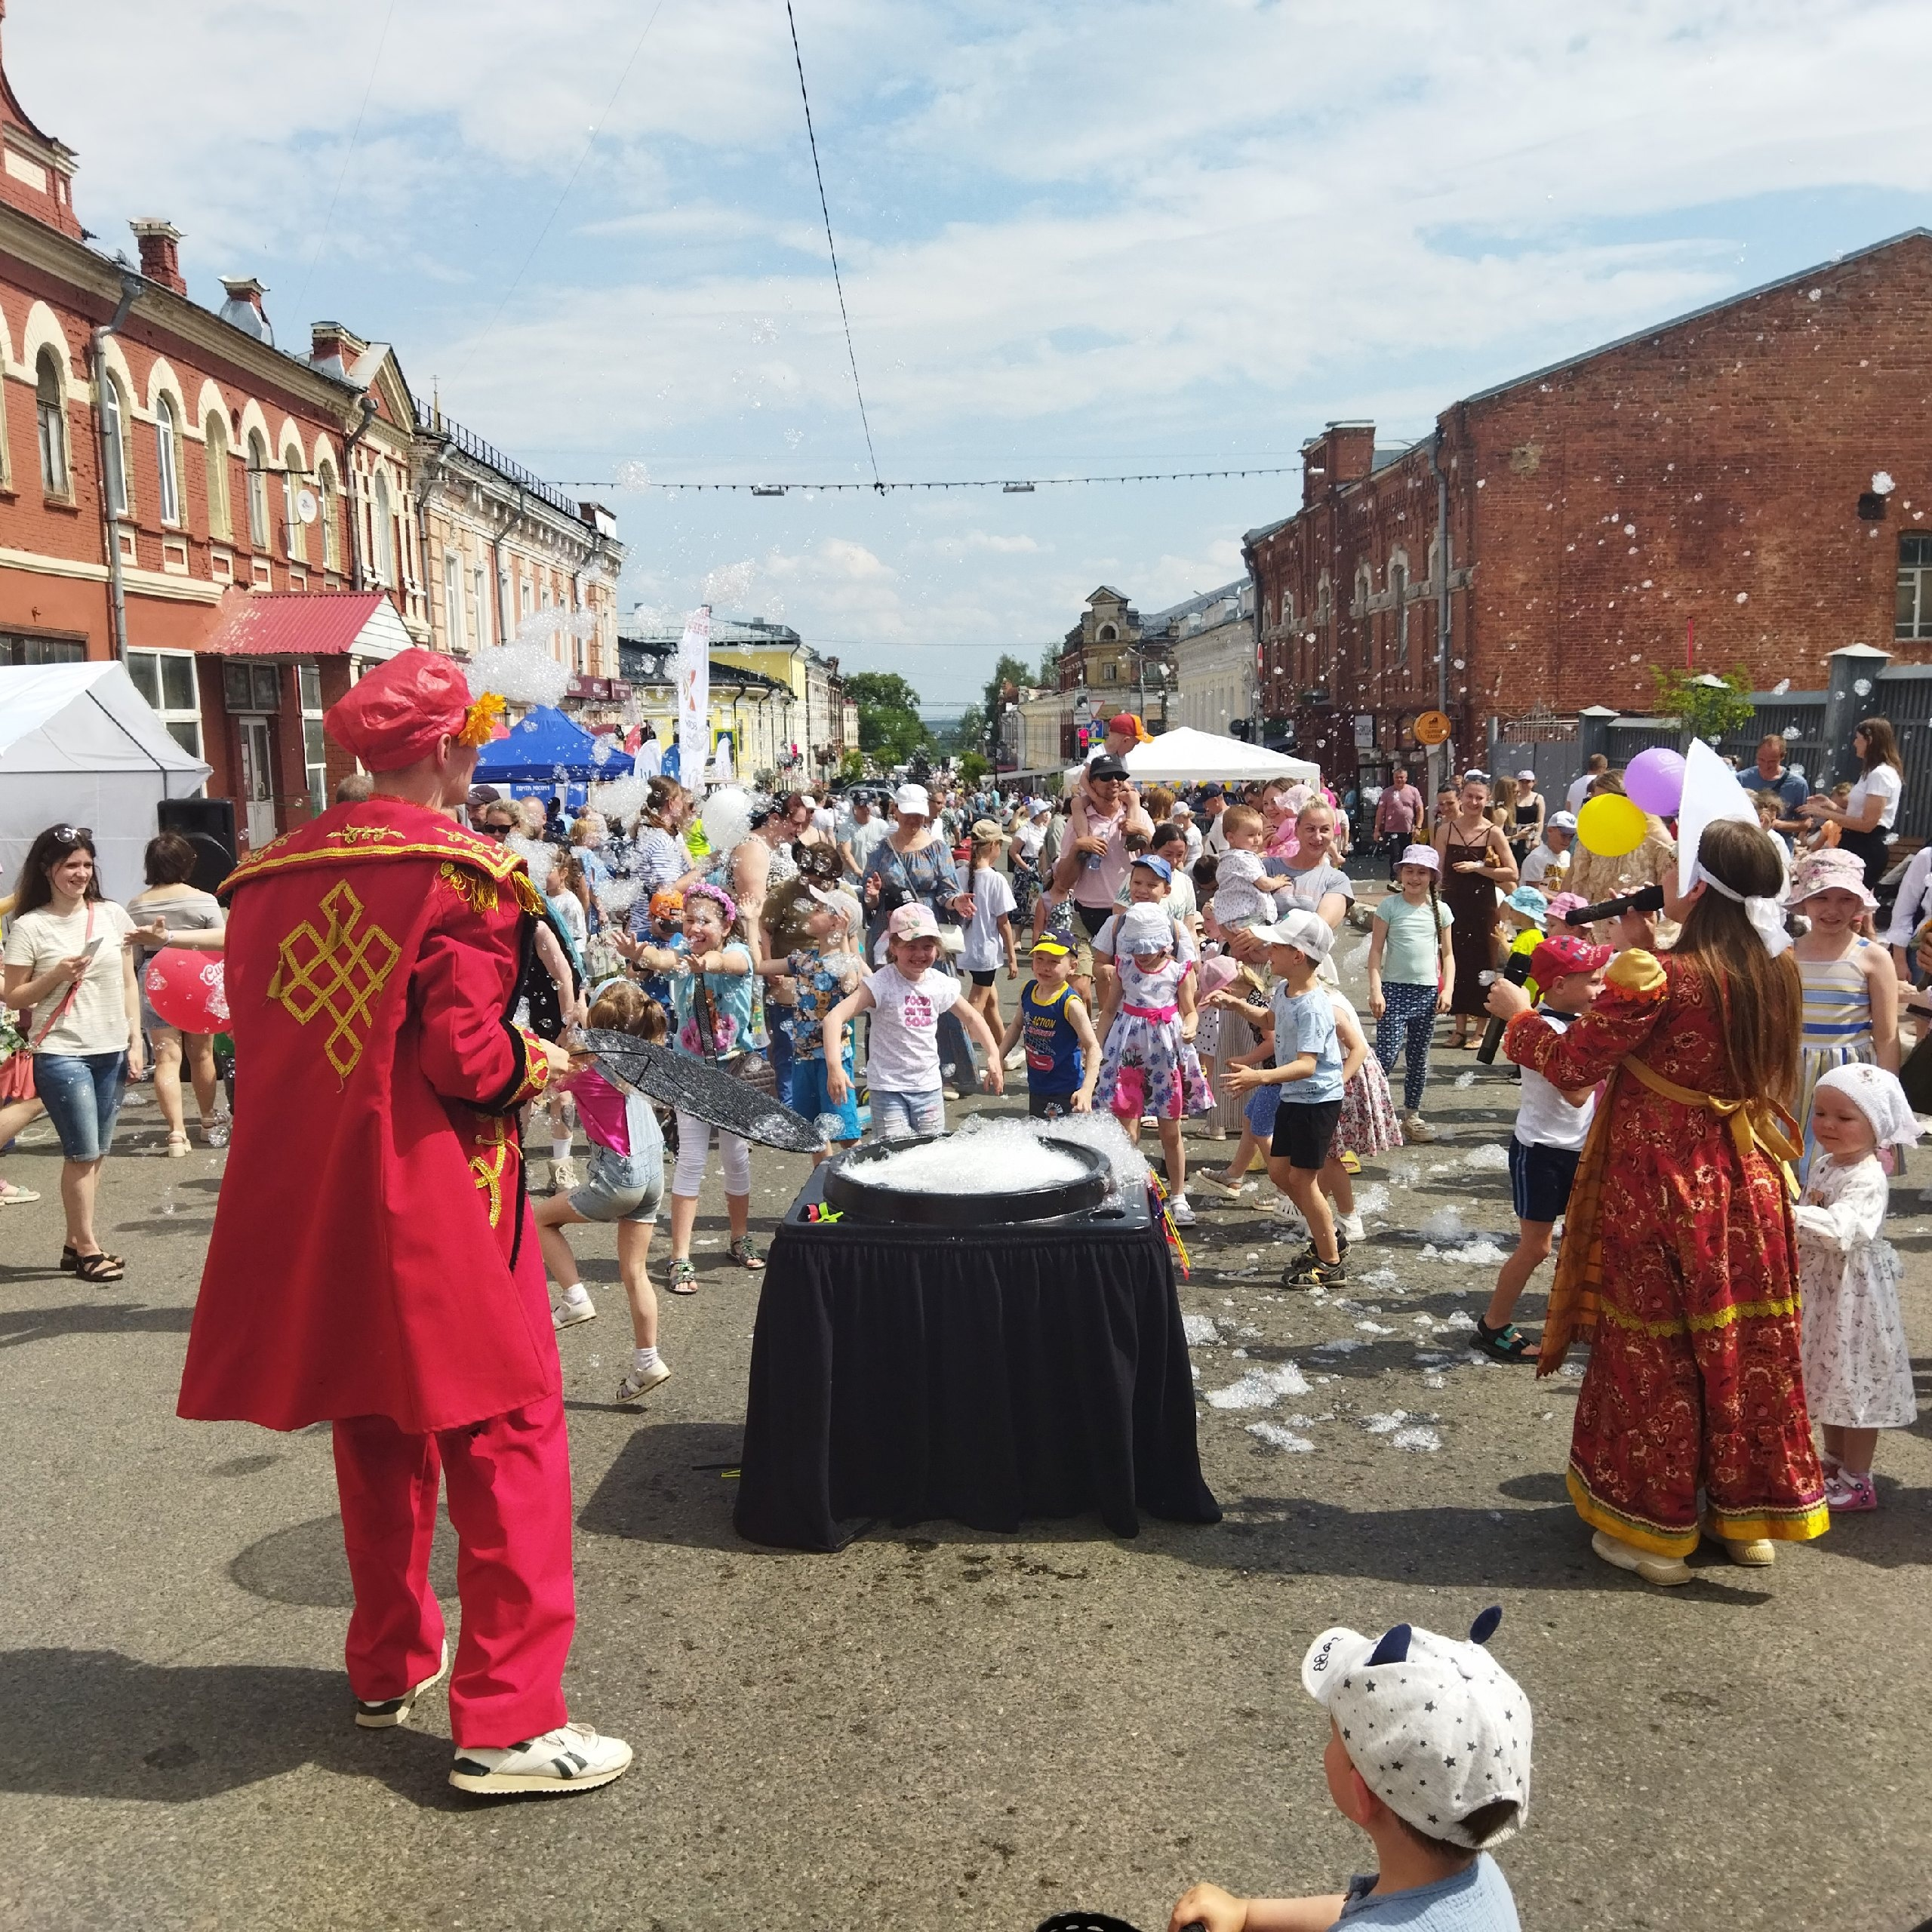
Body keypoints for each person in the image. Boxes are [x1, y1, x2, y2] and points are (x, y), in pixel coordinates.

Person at [175, 648, 630, 1796]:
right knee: (509, 1435)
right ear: (443, 748)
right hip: (443, 1197)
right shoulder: (465, 875)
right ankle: (510, 1725)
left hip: (321, 1193)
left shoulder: (264, 876)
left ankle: (388, 1662)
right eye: (470, 739)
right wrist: (544, 1059)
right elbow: (467, 1059)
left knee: (376, 1424)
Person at [1487, 788, 1825, 1585]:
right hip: (1748, 1180)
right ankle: (1744, 1520)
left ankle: (1651, 1531)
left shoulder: (1658, 974)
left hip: (1662, 1185)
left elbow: (1574, 1068)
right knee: (1743, 1346)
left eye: (1676, 868)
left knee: (1654, 1354)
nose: (1663, 877)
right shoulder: (1777, 971)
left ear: (1698, 889)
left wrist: (1519, 1013)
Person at [1170, 1609, 1531, 1932]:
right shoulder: (1480, 1878)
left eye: (1333, 1740)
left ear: (1361, 1794)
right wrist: (1247, 1913)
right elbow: (1369, 1913)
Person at [2, 826, 144, 1281]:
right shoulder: (30, 925)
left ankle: (73, 1242)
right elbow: (15, 997)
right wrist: (56, 976)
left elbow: (127, 982)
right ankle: (87, 1248)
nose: (80, 874)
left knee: (97, 1151)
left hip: (111, 1048)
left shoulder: (111, 915)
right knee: (82, 1153)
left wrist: (135, 1039)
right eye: (70, 866)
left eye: (86, 865)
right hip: (62, 1051)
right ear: (48, 870)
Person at [1475, 934, 1610, 1364]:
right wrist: (1612, 1051)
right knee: (1536, 1247)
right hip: (1543, 1151)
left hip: (1580, 1148)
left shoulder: (1574, 1025)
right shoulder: (1545, 1028)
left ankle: (1586, 1318)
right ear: (1558, 987)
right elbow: (1575, 1090)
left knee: (1592, 1238)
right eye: (1590, 981)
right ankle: (1493, 1325)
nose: (1600, 989)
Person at [537, 981, 672, 1404]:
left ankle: (574, 1297)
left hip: (620, 1178)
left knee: (536, 1219)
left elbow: (541, 1080)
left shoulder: (582, 1068)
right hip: (652, 1175)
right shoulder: (639, 1062)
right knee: (634, 1272)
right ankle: (647, 1360)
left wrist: (559, 1042)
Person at [1796, 1063, 1920, 1514]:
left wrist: (1784, 1214)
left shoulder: (1867, 1176)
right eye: (1821, 1113)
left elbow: (1841, 1229)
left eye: (1844, 1118)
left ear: (1876, 1125)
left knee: (1857, 1381)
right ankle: (1832, 1463)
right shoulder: (1828, 1161)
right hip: (1826, 1287)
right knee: (1829, 1376)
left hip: (1856, 1295)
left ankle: (1859, 1478)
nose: (1828, 1125)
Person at [654, 881, 768, 1292]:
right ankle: (680, 1257)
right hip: (691, 1074)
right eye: (689, 920)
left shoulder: (735, 954)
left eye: (705, 920)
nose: (695, 926)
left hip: (734, 1071)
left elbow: (731, 964)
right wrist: (638, 954)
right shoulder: (683, 955)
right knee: (691, 1161)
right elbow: (661, 957)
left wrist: (708, 963)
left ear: (726, 925)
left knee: (736, 1158)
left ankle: (738, 1238)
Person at [1226, 910, 1347, 1288]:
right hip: (1294, 1098)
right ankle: (1328, 1232)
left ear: (1298, 956)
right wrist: (1236, 1006)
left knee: (1304, 1180)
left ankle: (1329, 1261)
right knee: (1280, 1173)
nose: (1267, 949)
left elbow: (1308, 1066)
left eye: (1276, 945)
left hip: (1316, 1100)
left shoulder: (1313, 1005)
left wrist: (1258, 1076)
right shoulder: (1285, 990)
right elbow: (1270, 1020)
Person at [823, 903, 1004, 1139]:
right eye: (911, 946)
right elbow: (833, 1018)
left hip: (928, 1087)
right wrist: (834, 1067)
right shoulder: (881, 984)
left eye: (927, 946)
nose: (920, 954)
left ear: (937, 949)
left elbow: (971, 1016)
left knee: (928, 1156)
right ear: (894, 946)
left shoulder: (938, 983)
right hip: (888, 1089)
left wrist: (993, 1054)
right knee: (894, 1156)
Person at [1092, 903, 1209, 1222]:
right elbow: (1109, 1009)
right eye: (1136, 948)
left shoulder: (1178, 970)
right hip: (1128, 1052)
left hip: (1165, 1053)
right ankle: (1128, 1189)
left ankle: (1179, 1195)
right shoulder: (1124, 967)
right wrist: (1096, 1046)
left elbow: (1190, 1009)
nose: (1141, 955)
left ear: (1164, 944)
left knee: (1170, 1131)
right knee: (1126, 1128)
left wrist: (1191, 1025)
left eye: (1148, 949)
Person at [860, 783, 980, 1093]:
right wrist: (872, 897)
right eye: (909, 814)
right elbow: (870, 900)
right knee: (888, 1000)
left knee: (939, 998)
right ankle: (887, 1071)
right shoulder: (880, 851)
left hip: (928, 931)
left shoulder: (938, 847)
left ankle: (949, 1072)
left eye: (920, 815)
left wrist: (957, 902)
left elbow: (947, 889)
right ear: (895, 811)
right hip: (891, 934)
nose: (915, 820)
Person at [1789, 848, 1899, 1179]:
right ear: (1805, 901)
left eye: (1845, 899)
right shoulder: (1785, 954)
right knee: (1795, 1160)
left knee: (1846, 1163)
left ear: (1858, 904)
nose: (1832, 910)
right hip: (1795, 1071)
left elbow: (1887, 1035)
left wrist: (1885, 1096)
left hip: (1849, 1073)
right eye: (1821, 898)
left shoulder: (1873, 957)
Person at [127, 831, 226, 1156]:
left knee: (165, 1057)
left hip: (155, 978)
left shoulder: (136, 905)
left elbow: (136, 953)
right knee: (202, 1053)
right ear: (187, 863)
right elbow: (223, 941)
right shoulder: (203, 899)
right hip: (199, 977)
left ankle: (175, 1134)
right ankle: (208, 1120)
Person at [764, 887, 865, 1164]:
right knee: (814, 1133)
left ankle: (860, 1182)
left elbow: (850, 985)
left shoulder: (843, 963)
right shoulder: (803, 960)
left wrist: (844, 940)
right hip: (803, 1057)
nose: (811, 911)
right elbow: (759, 965)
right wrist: (751, 923)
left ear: (836, 922)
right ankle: (822, 1188)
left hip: (833, 1061)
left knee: (846, 1132)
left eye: (819, 909)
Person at [1367, 846, 1454, 1143]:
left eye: (1422, 872)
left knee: (1419, 1057)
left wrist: (1448, 988)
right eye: (1410, 871)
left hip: (1427, 992)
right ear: (1400, 873)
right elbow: (1376, 952)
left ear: (1432, 877)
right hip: (1393, 990)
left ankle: (1412, 1115)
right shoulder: (1390, 906)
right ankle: (1369, 1109)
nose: (1415, 877)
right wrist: (1376, 990)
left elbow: (1449, 955)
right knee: (1387, 1056)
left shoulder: (1439, 910)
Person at [1434, 774, 1516, 1047]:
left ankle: (1480, 1030)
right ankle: (1459, 1028)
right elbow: (1438, 870)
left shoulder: (1493, 831)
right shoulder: (1446, 829)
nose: (1474, 802)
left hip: (1483, 907)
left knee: (1484, 964)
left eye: (1479, 798)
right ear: (1461, 798)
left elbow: (1512, 872)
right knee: (1454, 961)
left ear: (1487, 800)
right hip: (1454, 905)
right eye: (1469, 796)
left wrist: (1479, 868)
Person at [1800, 715, 1904, 891]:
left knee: (1850, 904)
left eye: (1858, 738)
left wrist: (1825, 814)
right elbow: (1857, 816)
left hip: (1865, 847)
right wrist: (1830, 806)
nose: (1855, 743)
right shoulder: (1870, 773)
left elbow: (1867, 824)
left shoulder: (1881, 774)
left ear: (1869, 740)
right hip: (1854, 842)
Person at [1002, 936, 1100, 1119]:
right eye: (1039, 959)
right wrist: (999, 1058)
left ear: (1073, 967)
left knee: (1061, 1143)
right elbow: (1016, 1025)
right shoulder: (1028, 990)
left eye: (1054, 962)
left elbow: (1093, 1046)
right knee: (1041, 1140)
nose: (1045, 967)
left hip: (1066, 1089)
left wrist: (1087, 1089)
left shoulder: (1070, 1003)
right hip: (1038, 1086)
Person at [959, 820, 1019, 1044]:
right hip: (986, 952)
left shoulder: (960, 873)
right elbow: (1003, 923)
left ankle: (1003, 1048)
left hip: (967, 948)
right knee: (975, 1006)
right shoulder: (996, 879)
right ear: (994, 845)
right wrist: (1012, 958)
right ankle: (957, 1053)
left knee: (991, 1002)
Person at [1737, 732, 1809, 835]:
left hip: (1779, 845)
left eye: (1772, 761)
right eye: (1761, 760)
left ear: (1782, 757)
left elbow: (1806, 823)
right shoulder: (1741, 779)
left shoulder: (1798, 784)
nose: (1766, 766)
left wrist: (1778, 825)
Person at [1374, 764, 1425, 881]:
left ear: (1406, 778)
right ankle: (1395, 880)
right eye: (1397, 777)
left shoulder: (1413, 791)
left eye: (1402, 777)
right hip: (1392, 830)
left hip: (1408, 831)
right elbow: (1380, 811)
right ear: (1393, 778)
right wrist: (1377, 830)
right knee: (1395, 855)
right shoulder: (1387, 792)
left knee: (1408, 856)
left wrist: (1418, 827)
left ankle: (1406, 879)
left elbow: (1419, 809)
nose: (1399, 780)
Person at [1518, 812, 1574, 891]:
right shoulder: (1537, 857)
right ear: (1550, 831)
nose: (1567, 840)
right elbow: (1532, 892)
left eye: (1571, 836)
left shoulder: (1568, 857)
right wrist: (1559, 902)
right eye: (1564, 835)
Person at [1507, 768, 1545, 857]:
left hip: (1530, 835)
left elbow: (1540, 821)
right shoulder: (1513, 797)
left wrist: (1537, 838)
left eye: (1527, 782)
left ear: (1533, 782)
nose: (1525, 784)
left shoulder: (1538, 798)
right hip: (1515, 834)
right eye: (1522, 782)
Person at [1565, 751, 1609, 815]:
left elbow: (1568, 808)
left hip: (1575, 823)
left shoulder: (1574, 785)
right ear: (1602, 769)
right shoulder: (1602, 785)